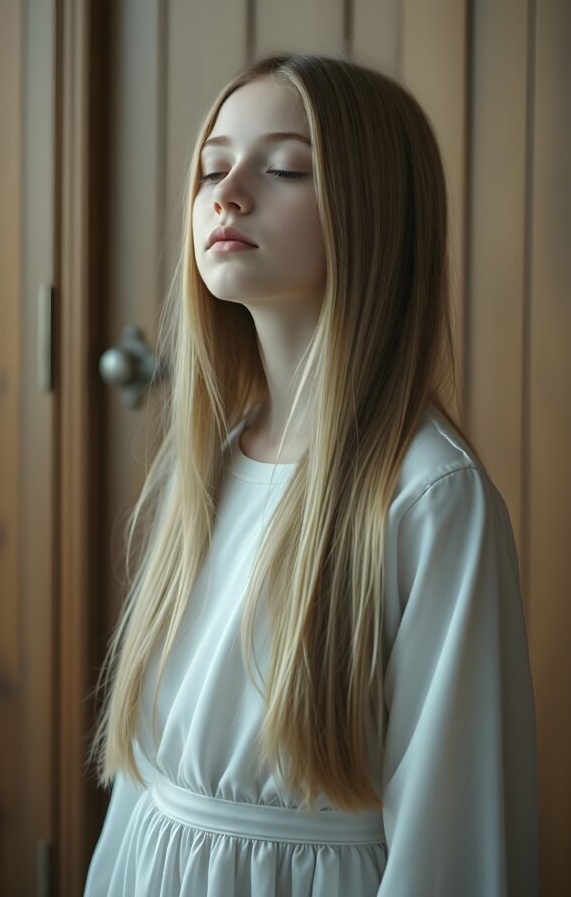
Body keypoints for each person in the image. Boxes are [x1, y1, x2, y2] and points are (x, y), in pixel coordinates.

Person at [83, 52, 540, 895]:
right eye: (213, 167)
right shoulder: (207, 468)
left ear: (371, 213)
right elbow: (139, 795)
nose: (229, 193)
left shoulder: (428, 497)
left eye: (286, 167)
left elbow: (454, 837)